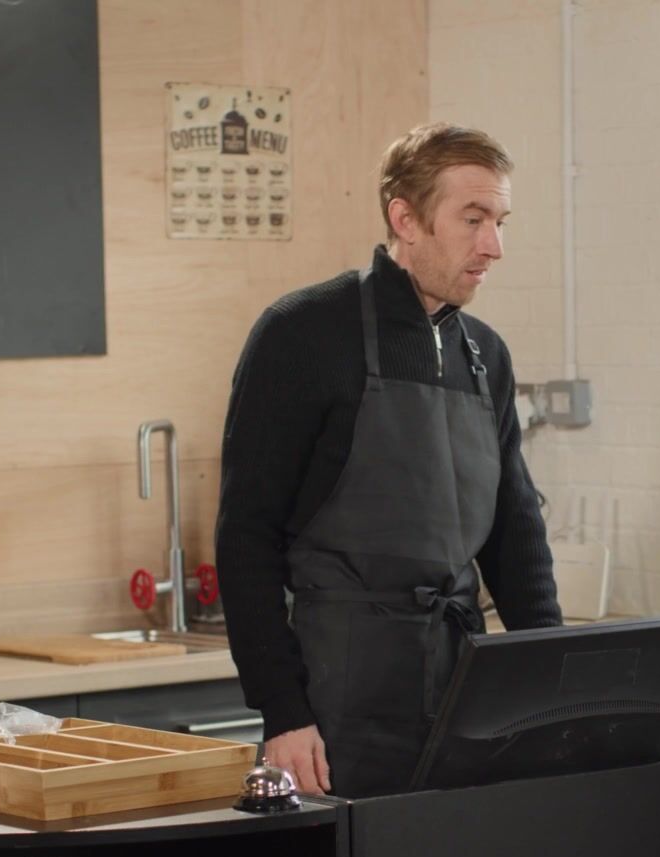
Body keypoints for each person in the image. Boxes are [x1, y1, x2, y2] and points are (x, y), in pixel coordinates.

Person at [215, 123, 562, 799]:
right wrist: (283, 713)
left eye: (499, 222)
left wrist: (553, 687)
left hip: (464, 693)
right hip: (338, 706)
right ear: (405, 219)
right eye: (473, 219)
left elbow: (516, 537)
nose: (493, 245)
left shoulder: (485, 356)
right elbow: (245, 538)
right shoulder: (303, 333)